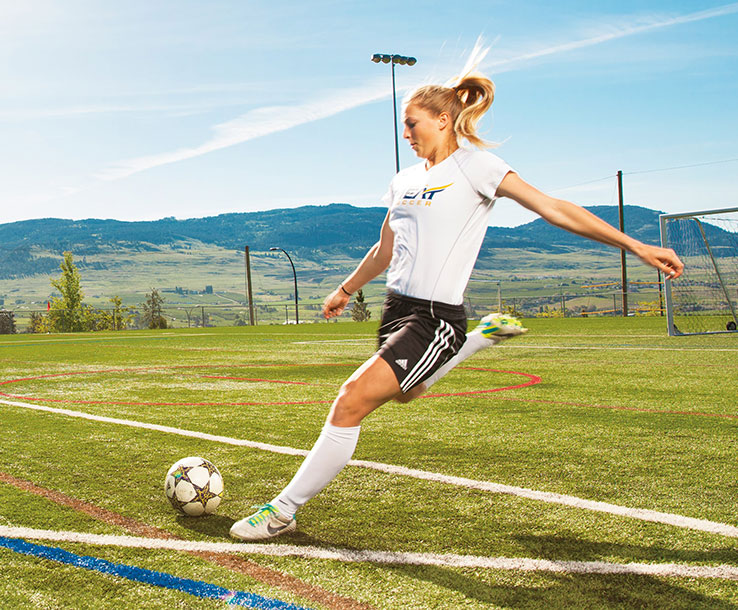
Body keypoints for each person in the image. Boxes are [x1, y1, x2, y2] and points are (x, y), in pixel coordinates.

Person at [229, 71, 684, 541]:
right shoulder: (403, 181)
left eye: (413, 124)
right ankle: (479, 339)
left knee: (350, 401)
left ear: (444, 119)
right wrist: (345, 289)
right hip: (395, 309)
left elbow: (553, 207)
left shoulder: (477, 168)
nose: (406, 135)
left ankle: (283, 511)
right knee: (405, 393)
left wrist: (636, 246)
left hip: (435, 316)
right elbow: (385, 248)